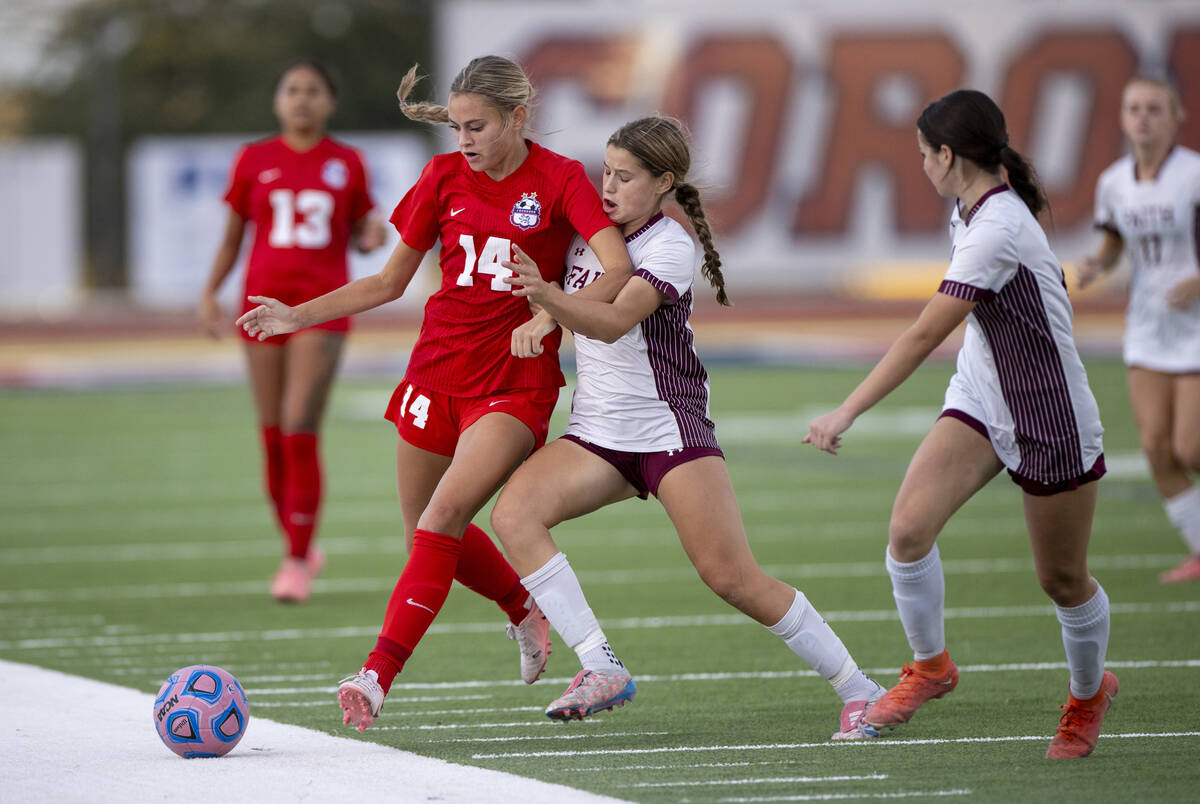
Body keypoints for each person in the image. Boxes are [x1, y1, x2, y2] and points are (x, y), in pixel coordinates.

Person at [236, 56, 634, 732]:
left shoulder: (560, 178)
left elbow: (618, 267)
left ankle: (375, 676)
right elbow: (388, 282)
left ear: (518, 117)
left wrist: (549, 314)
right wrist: (297, 314)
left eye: (476, 126)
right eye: (455, 127)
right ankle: (521, 608)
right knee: (425, 531)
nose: (464, 141)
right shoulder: (443, 175)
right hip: (433, 375)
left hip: (511, 384)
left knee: (443, 516)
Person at [490, 116, 885, 739]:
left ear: (663, 181)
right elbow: (573, 301)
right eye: (606, 173)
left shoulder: (668, 244)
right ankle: (599, 665)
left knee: (731, 577)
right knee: (513, 516)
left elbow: (615, 321)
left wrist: (546, 301)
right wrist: (545, 317)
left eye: (625, 177)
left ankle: (862, 692)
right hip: (596, 435)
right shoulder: (591, 236)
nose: (609, 187)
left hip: (669, 434)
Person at [803, 89, 1117, 759]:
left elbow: (923, 336)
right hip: (983, 394)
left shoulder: (999, 226)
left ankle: (1090, 694)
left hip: (1048, 415)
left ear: (949, 155)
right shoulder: (970, 208)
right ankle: (932, 668)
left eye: (923, 155)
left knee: (1061, 580)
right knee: (908, 531)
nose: (919, 165)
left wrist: (845, 411)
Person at [200, 59, 387, 604]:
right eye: (291, 90)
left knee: (299, 421)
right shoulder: (253, 158)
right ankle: (299, 541)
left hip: (319, 309)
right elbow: (234, 235)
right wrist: (210, 290)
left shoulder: (346, 161)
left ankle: (296, 559)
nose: (301, 99)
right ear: (278, 99)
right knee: (272, 434)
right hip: (259, 306)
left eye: (313, 91)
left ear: (330, 101)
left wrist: (373, 236)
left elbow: (362, 232)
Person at [1078, 76, 1200, 584]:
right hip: (1148, 327)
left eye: (1154, 108)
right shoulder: (1113, 182)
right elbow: (1113, 242)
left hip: (1195, 327)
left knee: (1191, 448)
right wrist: (1094, 266)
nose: (1143, 116)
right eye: (1134, 108)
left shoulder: (1193, 174)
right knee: (1156, 449)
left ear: (1176, 117)